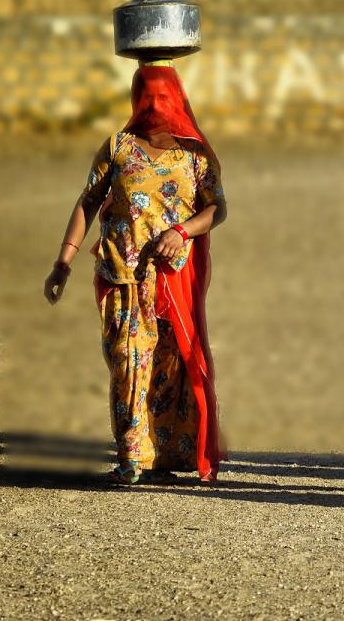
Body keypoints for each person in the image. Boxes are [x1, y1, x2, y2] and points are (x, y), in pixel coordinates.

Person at [43, 59, 227, 485]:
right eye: (146, 95)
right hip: (119, 273)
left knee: (169, 364)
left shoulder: (194, 154)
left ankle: (165, 456)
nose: (154, 104)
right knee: (126, 360)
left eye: (163, 96)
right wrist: (63, 262)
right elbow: (88, 201)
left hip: (172, 279)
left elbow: (218, 207)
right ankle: (131, 455)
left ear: (177, 98)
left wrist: (183, 231)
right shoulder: (118, 147)